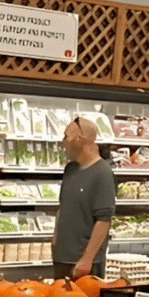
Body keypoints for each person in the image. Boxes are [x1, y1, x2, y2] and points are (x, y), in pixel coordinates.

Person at [52, 116, 116, 280]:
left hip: (84, 264)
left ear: (80, 139)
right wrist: (55, 240)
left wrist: (87, 258)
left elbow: (103, 220)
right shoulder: (70, 169)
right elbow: (63, 206)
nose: (62, 143)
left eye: (66, 137)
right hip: (62, 258)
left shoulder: (102, 173)